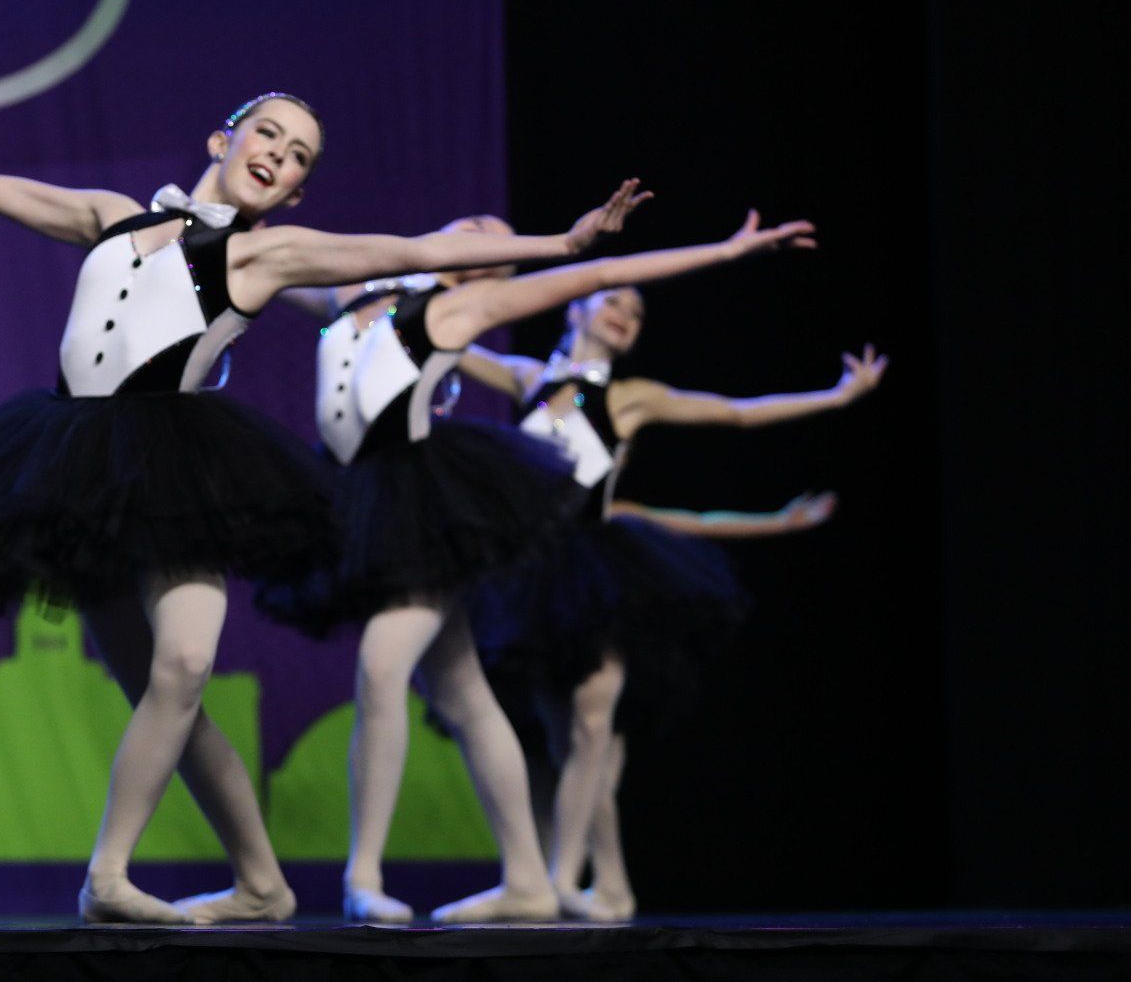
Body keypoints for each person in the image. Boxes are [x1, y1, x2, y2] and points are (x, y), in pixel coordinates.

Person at [0, 78, 654, 923]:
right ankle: (262, 883)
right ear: (219, 141)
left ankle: (107, 877)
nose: (279, 155)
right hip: (74, 472)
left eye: (298, 156)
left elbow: (400, 251)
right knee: (168, 704)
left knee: (186, 664)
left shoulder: (263, 255)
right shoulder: (112, 215)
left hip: (172, 472)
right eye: (268, 133)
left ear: (296, 192)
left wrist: (567, 242)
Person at [266, 211, 817, 923]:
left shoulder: (463, 305)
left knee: (384, 667)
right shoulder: (361, 293)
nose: (481, 233)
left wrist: (726, 249)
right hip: (358, 497)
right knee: (464, 693)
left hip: (417, 505)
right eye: (473, 223)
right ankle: (528, 878)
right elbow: (277, 270)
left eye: (495, 238)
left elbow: (600, 273)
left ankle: (363, 875)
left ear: (499, 268)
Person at [462, 289, 887, 919]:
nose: (626, 317)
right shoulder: (525, 376)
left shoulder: (634, 398)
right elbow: (444, 335)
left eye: (638, 314)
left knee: (593, 725)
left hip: (593, 572)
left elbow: (735, 414)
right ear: (574, 306)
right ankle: (603, 886)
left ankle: (558, 882)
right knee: (560, 738)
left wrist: (835, 396)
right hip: (526, 577)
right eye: (615, 301)